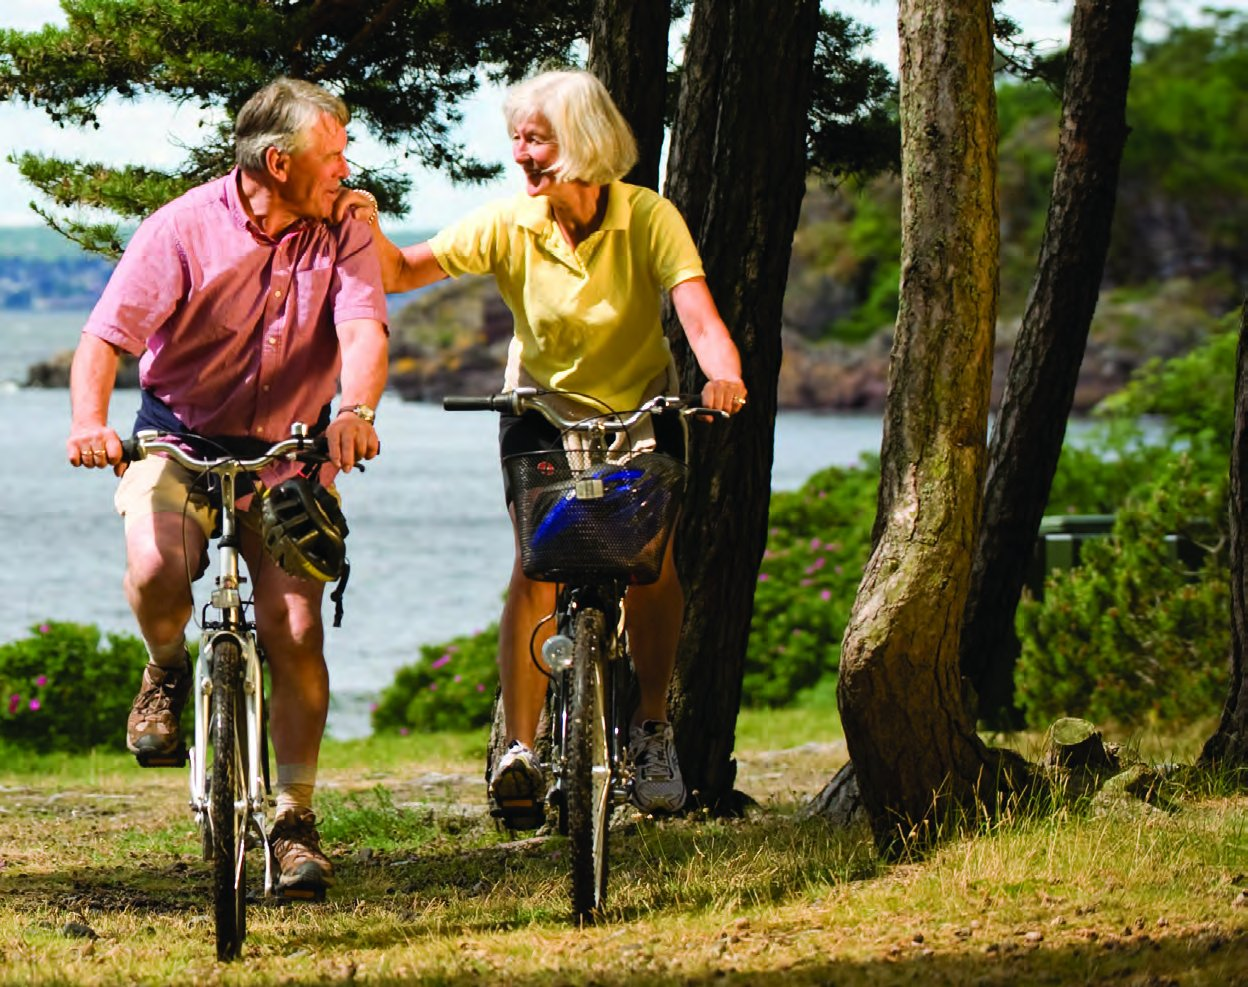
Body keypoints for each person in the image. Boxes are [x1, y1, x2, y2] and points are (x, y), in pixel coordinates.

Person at [337, 69, 746, 825]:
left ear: (584, 142)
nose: (521, 155)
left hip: (641, 414)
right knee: (537, 571)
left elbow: (697, 312)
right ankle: (518, 752)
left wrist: (722, 374)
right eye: (516, 139)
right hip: (540, 414)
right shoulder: (508, 221)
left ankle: (652, 729)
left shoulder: (648, 217)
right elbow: (400, 273)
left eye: (536, 139)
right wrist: (366, 224)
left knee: (651, 569)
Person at [66, 77, 389, 895]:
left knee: (295, 626)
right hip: (180, 438)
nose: (345, 168)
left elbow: (362, 329)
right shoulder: (180, 228)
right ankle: (168, 667)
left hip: (291, 451)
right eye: (333, 154)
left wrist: (355, 408)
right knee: (155, 570)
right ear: (277, 163)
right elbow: (104, 339)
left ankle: (294, 817)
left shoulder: (343, 227)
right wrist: (87, 422)